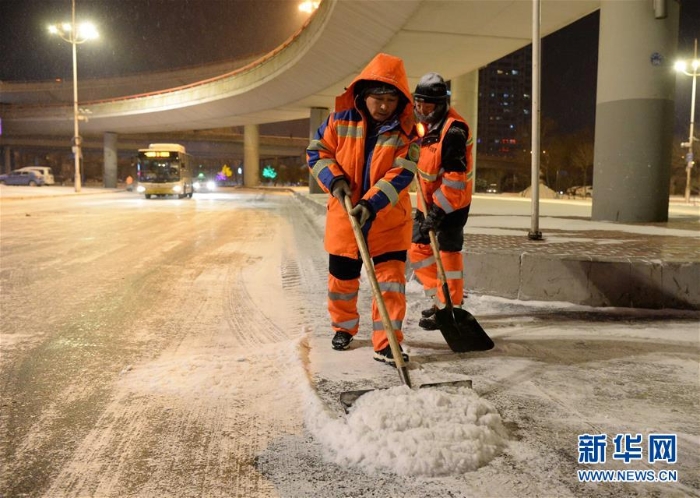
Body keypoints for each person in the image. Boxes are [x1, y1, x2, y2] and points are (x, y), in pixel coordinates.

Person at [306, 53, 419, 366]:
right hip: (345, 218)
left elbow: (402, 173)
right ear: (363, 94)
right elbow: (317, 154)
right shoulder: (338, 122)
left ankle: (387, 344)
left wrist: (372, 203)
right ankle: (343, 327)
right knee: (341, 282)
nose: (384, 106)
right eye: (378, 98)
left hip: (387, 222)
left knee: (390, 285)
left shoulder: (407, 134)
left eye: (392, 99)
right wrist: (335, 179)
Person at [408, 72, 474, 330]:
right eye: (418, 103)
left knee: (447, 255)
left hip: (452, 204)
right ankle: (441, 298)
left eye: (428, 104)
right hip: (427, 203)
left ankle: (449, 308)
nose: (422, 109)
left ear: (441, 105)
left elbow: (455, 181)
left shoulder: (454, 130)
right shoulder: (423, 125)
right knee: (417, 248)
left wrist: (437, 213)